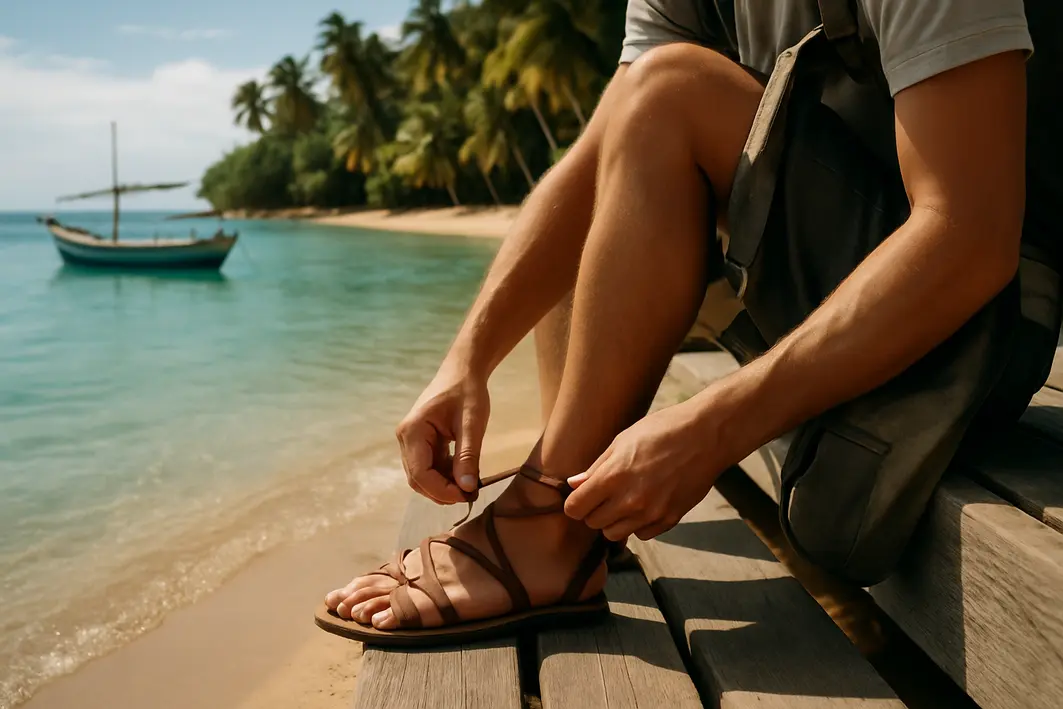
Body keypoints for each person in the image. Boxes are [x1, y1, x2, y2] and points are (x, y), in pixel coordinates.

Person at [320, 0, 1057, 642]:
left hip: (974, 331)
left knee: (670, 89)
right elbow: (598, 155)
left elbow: (968, 235)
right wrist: (466, 360)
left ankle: (546, 525)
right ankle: (574, 509)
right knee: (631, 122)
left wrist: (713, 426)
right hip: (827, 288)